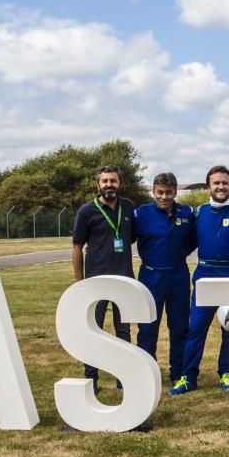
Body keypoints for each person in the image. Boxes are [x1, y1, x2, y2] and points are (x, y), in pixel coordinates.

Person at [174, 165, 229, 395]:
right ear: (208, 186)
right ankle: (188, 376)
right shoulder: (199, 212)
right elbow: (187, 242)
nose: (221, 187)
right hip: (205, 276)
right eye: (216, 183)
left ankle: (226, 372)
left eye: (224, 183)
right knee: (195, 328)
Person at [71, 165, 136, 394]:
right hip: (96, 281)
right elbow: (77, 246)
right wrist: (80, 282)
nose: (110, 184)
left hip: (124, 279)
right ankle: (92, 379)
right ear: (98, 184)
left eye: (113, 181)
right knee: (93, 329)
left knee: (124, 331)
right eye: (105, 181)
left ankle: (123, 378)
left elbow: (132, 237)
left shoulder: (128, 206)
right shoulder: (87, 211)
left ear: (120, 183)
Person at [132, 172, 196, 387]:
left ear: (175, 192)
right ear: (153, 191)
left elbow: (192, 241)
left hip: (178, 274)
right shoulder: (141, 214)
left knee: (179, 327)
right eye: (160, 192)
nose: (164, 197)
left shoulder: (186, 213)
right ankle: (146, 372)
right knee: (148, 327)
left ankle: (177, 372)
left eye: (169, 192)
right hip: (151, 276)